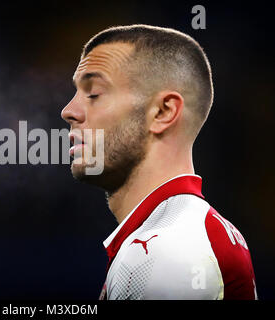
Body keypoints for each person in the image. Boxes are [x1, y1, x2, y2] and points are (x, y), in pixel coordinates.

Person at [61, 25, 257, 300]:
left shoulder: (162, 252)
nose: (68, 111)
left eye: (94, 93)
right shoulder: (186, 231)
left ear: (163, 112)